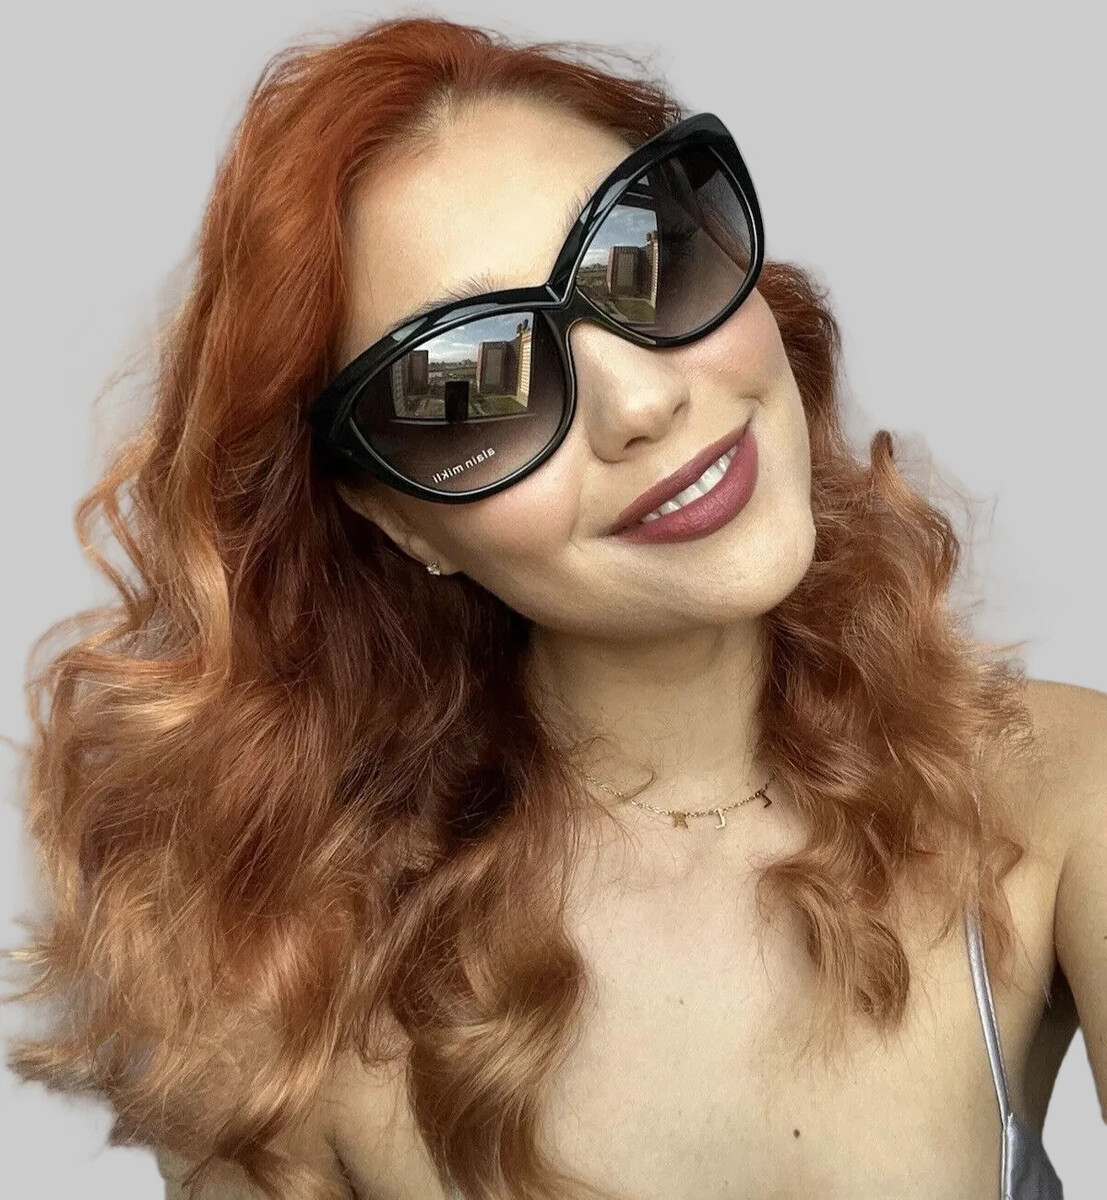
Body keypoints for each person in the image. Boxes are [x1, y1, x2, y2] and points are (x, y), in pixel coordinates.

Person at [3, 15, 1103, 1200]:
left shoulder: (1055, 795)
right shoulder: (282, 992)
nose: (640, 403)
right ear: (399, 520)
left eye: (647, 256)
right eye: (473, 387)